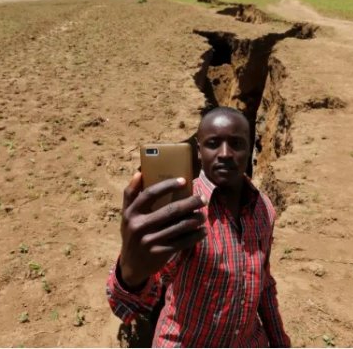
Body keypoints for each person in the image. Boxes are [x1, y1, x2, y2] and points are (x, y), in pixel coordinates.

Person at [106, 106, 291, 347]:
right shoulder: (184, 208)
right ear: (199, 152)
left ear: (250, 149)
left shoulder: (263, 208)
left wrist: (280, 341)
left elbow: (264, 281)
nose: (225, 153)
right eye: (213, 143)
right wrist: (130, 274)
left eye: (237, 143)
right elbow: (144, 295)